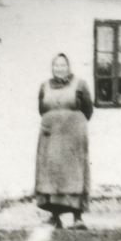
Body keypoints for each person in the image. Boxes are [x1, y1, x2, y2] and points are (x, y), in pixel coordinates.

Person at [35, 53, 94, 230]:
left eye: (63, 65)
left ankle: (78, 218)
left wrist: (71, 123)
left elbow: (88, 110)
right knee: (52, 174)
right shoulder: (44, 86)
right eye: (56, 66)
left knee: (75, 173)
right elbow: (42, 109)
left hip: (73, 137)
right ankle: (55, 217)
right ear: (52, 68)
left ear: (68, 67)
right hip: (50, 137)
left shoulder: (80, 84)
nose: (59, 69)